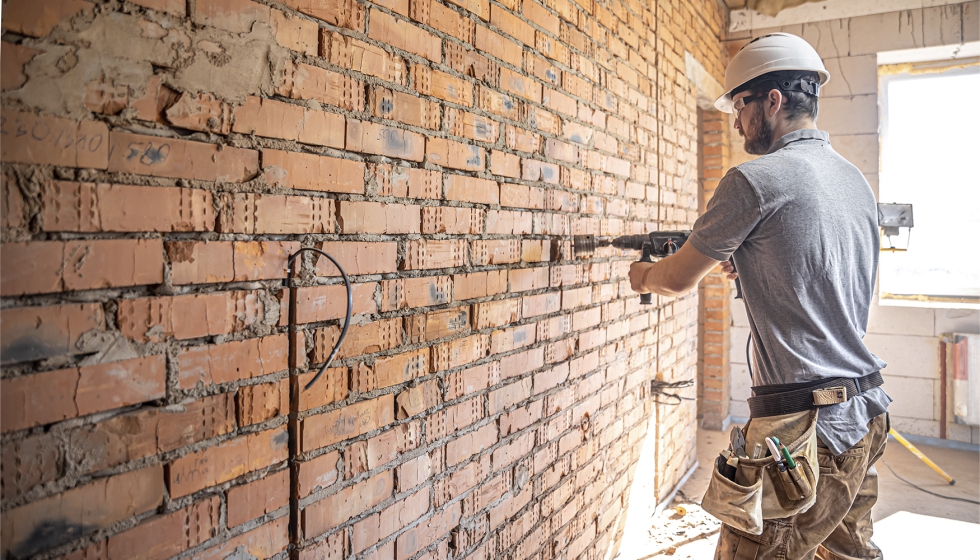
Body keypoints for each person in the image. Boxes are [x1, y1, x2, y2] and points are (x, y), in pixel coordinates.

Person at [627, 33, 890, 560]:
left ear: (772, 100)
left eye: (739, 106)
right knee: (847, 554)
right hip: (865, 413)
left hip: (803, 431)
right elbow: (823, 278)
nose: (735, 123)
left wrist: (643, 275)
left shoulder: (753, 181)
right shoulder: (853, 180)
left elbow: (676, 279)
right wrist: (753, 270)